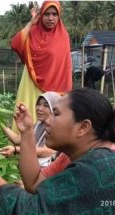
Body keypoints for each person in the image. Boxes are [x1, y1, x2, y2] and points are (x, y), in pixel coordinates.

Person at [11, 0, 72, 128]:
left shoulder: (63, 36)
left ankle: (42, 148)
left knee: (47, 123)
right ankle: (18, 146)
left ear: (59, 16)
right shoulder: (32, 31)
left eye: (54, 14)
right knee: (26, 114)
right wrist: (31, 23)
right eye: (47, 14)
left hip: (51, 90)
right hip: (30, 82)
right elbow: (15, 43)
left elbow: (63, 67)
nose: (51, 18)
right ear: (41, 15)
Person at [0, 92, 61, 167]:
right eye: (38, 104)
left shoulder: (58, 129)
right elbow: (18, 140)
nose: (39, 108)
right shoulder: (38, 125)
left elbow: (46, 151)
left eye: (46, 105)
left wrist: (15, 150)